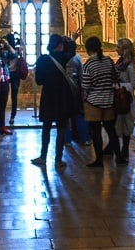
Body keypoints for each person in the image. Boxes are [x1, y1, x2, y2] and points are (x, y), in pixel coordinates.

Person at [31, 34, 76, 169]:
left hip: (48, 97)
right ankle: (58, 159)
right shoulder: (64, 58)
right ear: (60, 46)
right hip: (62, 97)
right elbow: (71, 51)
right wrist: (71, 40)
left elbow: (39, 81)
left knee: (46, 128)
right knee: (61, 129)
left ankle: (43, 156)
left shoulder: (42, 60)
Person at [81, 36, 123, 166]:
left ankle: (99, 160)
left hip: (94, 102)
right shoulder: (108, 61)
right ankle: (119, 158)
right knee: (111, 130)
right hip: (109, 100)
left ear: (88, 49)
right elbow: (116, 76)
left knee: (96, 132)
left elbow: (86, 85)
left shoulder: (89, 64)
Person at [114, 38, 135, 162]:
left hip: (126, 98)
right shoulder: (120, 63)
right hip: (119, 96)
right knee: (119, 123)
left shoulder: (129, 65)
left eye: (118, 47)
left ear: (124, 49)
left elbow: (134, 83)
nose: (116, 49)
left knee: (126, 124)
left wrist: (119, 86)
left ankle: (124, 150)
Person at [64, 33, 90, 146]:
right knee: (78, 114)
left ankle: (67, 140)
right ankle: (85, 138)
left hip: (63, 89)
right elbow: (81, 74)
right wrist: (83, 89)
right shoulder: (77, 58)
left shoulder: (60, 57)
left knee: (65, 117)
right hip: (76, 89)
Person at [5, 32, 25, 124]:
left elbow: (23, 46)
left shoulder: (14, 50)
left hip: (9, 74)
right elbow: (23, 45)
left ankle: (10, 116)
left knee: (5, 95)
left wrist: (20, 37)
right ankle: (11, 116)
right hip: (10, 74)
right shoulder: (6, 50)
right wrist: (20, 37)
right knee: (12, 96)